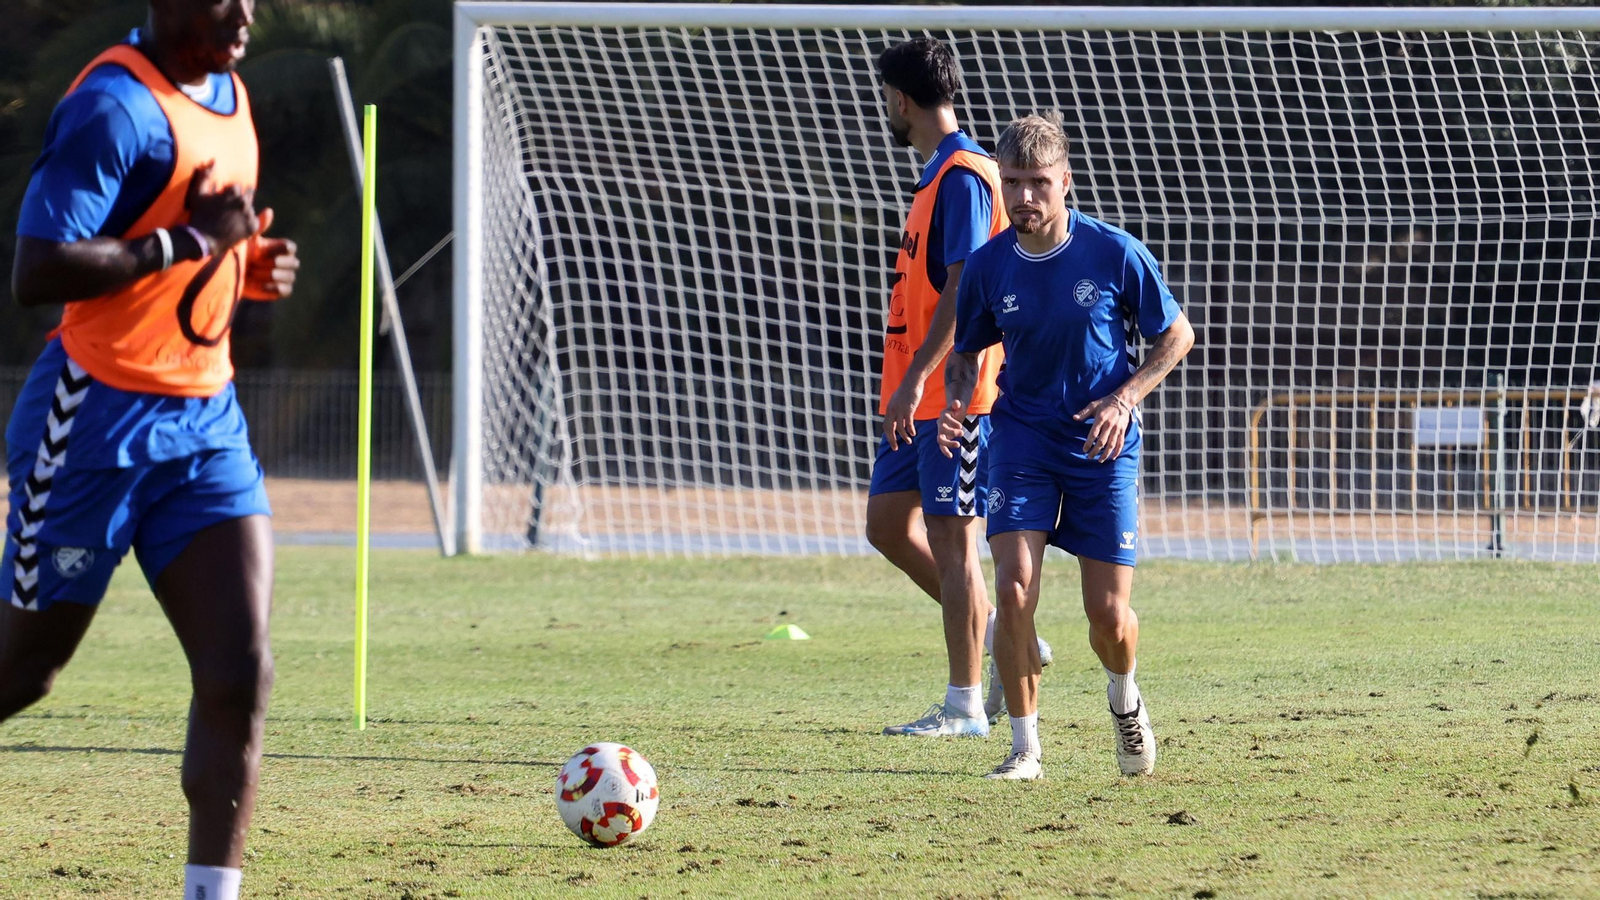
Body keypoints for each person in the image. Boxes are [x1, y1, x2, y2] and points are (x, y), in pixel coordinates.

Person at [0, 2, 296, 897]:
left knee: (240, 670)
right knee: (26, 672)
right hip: (91, 424)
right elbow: (38, 269)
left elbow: (198, 255)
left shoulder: (231, 91)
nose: (244, 12)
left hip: (205, 429)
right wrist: (194, 242)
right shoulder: (115, 107)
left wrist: (248, 266)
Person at [939, 112, 1194, 780]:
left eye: (1039, 183)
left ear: (1066, 183)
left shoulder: (1114, 252)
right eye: (1014, 182)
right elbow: (967, 354)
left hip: (1102, 445)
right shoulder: (989, 266)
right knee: (1015, 589)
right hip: (1020, 438)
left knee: (1107, 615)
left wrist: (1124, 398)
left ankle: (1124, 695)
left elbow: (1177, 337)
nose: (1024, 197)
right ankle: (1026, 749)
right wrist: (958, 406)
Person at [867, 38, 1050, 738]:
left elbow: (967, 285)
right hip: (917, 392)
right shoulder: (935, 175)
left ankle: (965, 705)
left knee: (953, 541)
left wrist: (920, 379)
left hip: (955, 395)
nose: (885, 107)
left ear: (902, 99)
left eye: (887, 96)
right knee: (887, 525)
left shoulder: (966, 177)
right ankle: (1006, 630)